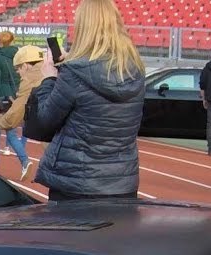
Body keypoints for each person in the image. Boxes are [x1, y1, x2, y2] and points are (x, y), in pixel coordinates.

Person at [27, 0, 145, 199]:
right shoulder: (135, 70)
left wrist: (49, 78)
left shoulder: (74, 73)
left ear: (84, 27)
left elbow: (44, 122)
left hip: (76, 185)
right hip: (122, 184)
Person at [0, 44, 40, 180]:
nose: (17, 72)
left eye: (18, 69)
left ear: (25, 65)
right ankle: (24, 161)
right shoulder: (49, 71)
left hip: (2, 98)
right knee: (12, 136)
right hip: (15, 95)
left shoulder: (29, 78)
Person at [0, 31, 18, 158]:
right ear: (12, 41)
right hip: (14, 95)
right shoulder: (18, 56)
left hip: (1, 95)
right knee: (11, 130)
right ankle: (23, 159)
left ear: (0, 42)